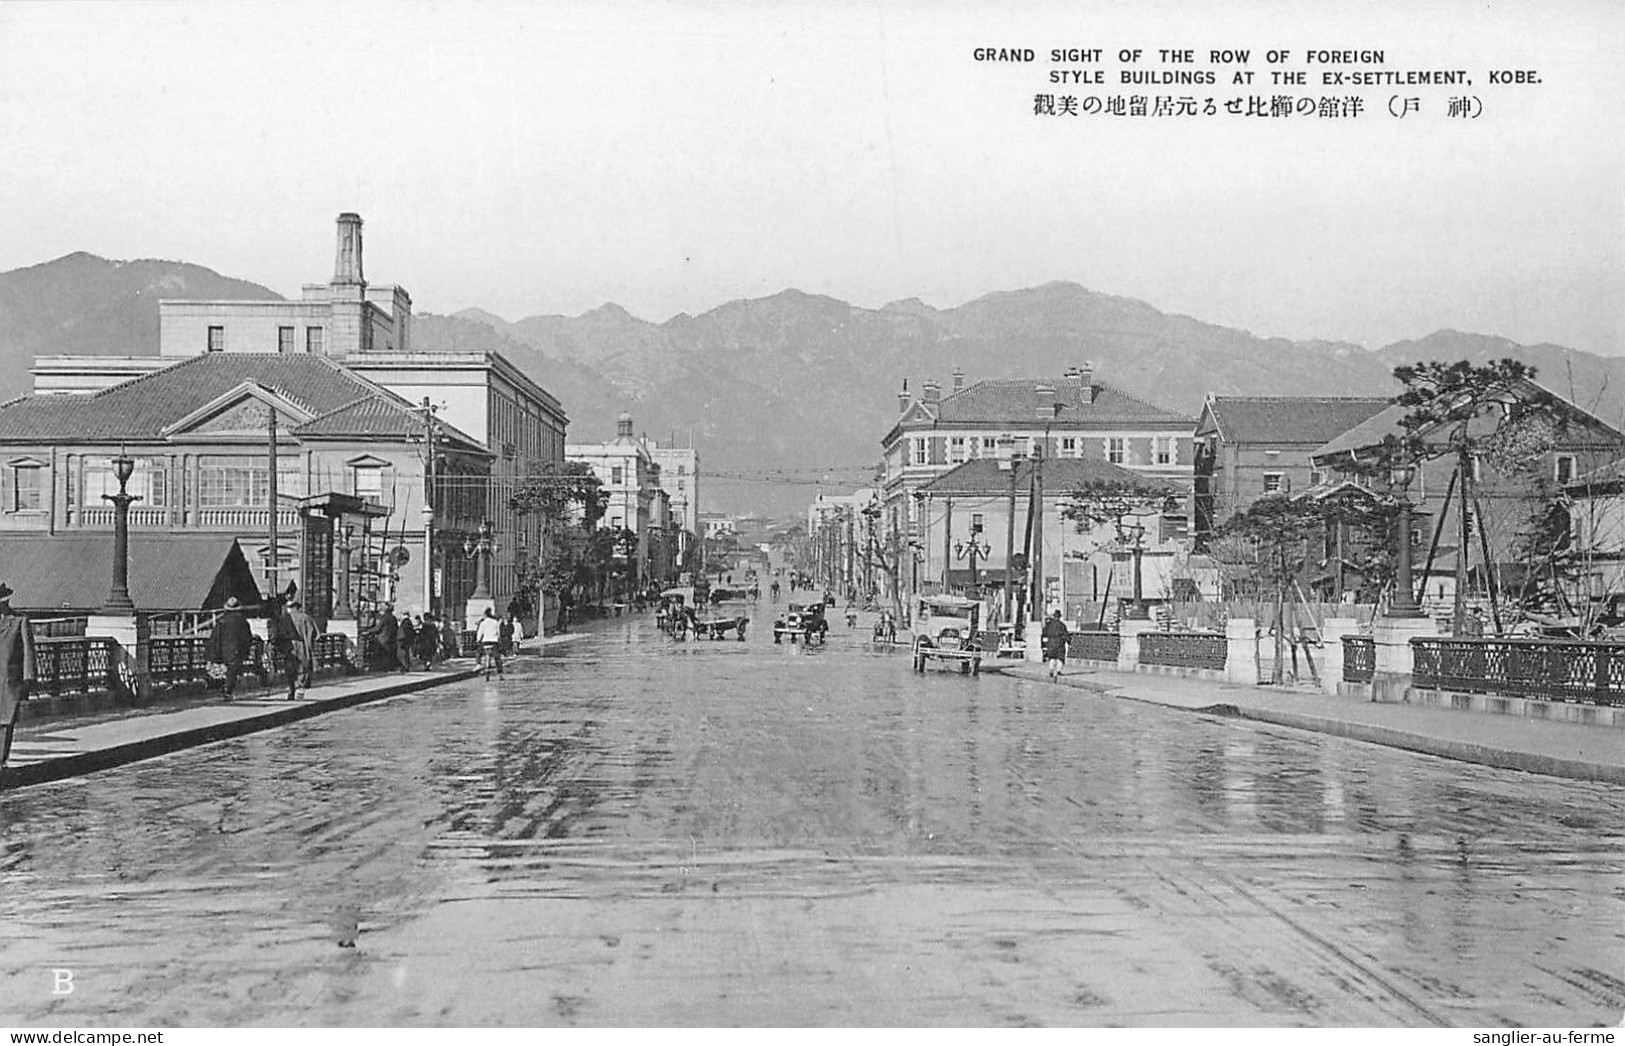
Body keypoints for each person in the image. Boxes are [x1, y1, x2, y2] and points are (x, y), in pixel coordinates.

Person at [0, 582, 38, 777]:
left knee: (5, 721)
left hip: (10, 680)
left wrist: (28, 678)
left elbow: (28, 652)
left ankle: (1, 759)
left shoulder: (19, 621)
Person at [209, 596, 255, 699]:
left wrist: (214, 651)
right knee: (232, 671)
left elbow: (215, 637)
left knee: (223, 670)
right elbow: (248, 637)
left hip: (222, 649)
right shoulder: (242, 621)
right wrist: (246, 650)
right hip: (237, 650)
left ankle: (224, 689)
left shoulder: (221, 621)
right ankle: (228, 691)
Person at [1041, 609, 1071, 683]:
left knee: (1052, 657)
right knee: (1060, 658)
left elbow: (1044, 633)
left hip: (1050, 643)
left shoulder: (1049, 625)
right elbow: (1065, 634)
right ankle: (1058, 671)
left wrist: (1044, 643)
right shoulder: (1062, 625)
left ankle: (1051, 670)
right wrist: (1068, 641)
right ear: (1059, 617)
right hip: (1059, 643)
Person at [475, 607, 504, 679]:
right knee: (497, 658)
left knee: (478, 652)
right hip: (494, 642)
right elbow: (498, 633)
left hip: (485, 642)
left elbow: (480, 633)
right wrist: (499, 640)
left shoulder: (483, 623)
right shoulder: (495, 622)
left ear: (485, 615)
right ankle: (500, 674)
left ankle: (479, 664)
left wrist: (478, 640)